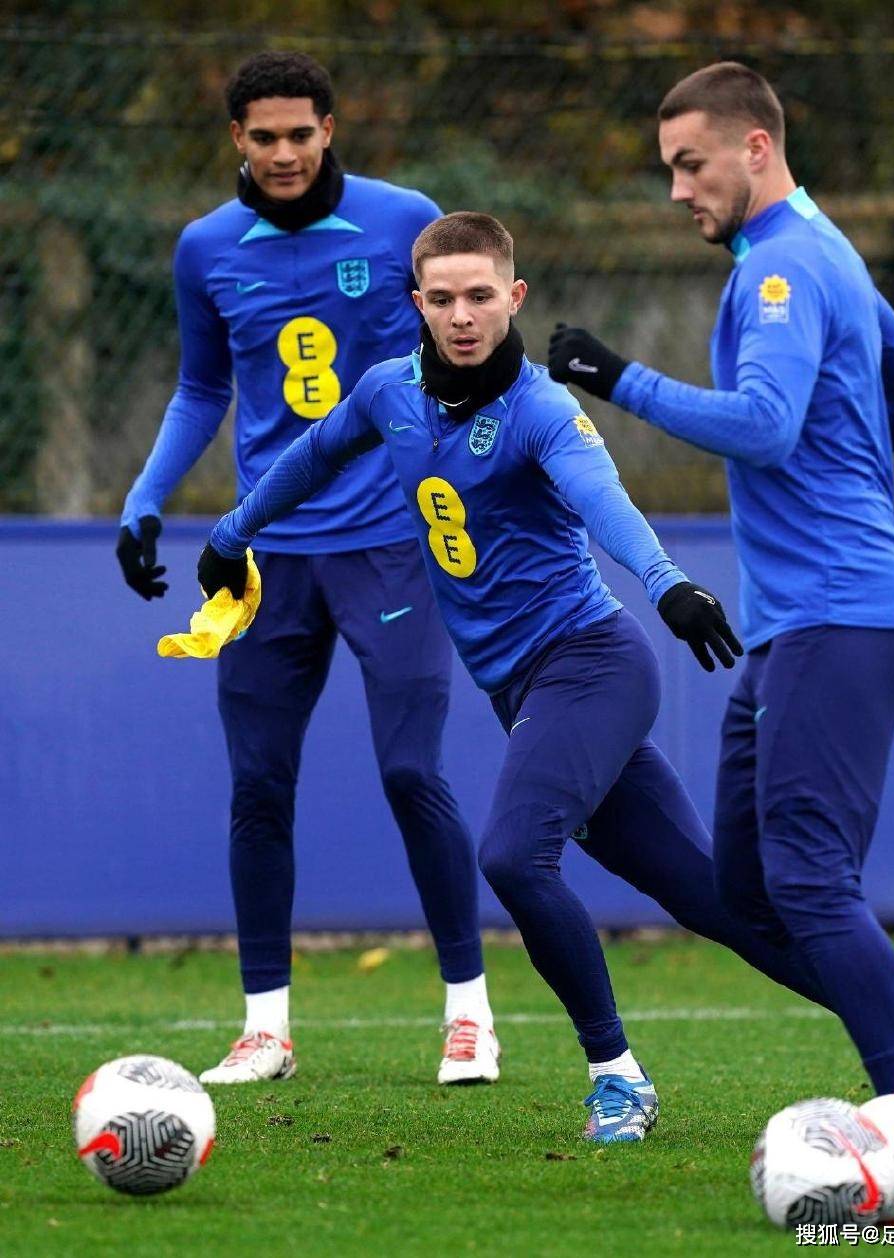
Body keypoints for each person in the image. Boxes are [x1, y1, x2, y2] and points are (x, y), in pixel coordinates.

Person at [197, 211, 894, 1143]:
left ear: (514, 297)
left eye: (480, 295)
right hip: (524, 691)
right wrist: (231, 534)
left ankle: (617, 1077)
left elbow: (606, 502)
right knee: (714, 900)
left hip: (593, 666)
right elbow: (316, 452)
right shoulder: (386, 392)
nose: (462, 315)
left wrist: (668, 584)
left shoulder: (541, 410)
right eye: (442, 298)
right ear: (416, 304)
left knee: (512, 855)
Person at [547, 62, 894, 1141]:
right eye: (670, 169)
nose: (676, 190)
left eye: (690, 164)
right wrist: (850, 470)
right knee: (748, 888)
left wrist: (617, 378)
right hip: (809, 617)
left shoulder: (784, 267)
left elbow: (764, 424)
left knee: (810, 878)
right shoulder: (821, 243)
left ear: (755, 147)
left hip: (840, 610)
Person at [116, 52, 497, 1087]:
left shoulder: (401, 220)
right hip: (266, 558)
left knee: (412, 771)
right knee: (257, 785)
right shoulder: (205, 247)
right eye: (263, 136)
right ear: (236, 139)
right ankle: (265, 1029)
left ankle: (470, 1014)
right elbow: (203, 388)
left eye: (299, 133)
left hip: (391, 545)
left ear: (329, 129)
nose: (282, 153)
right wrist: (146, 498)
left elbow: (462, 351)